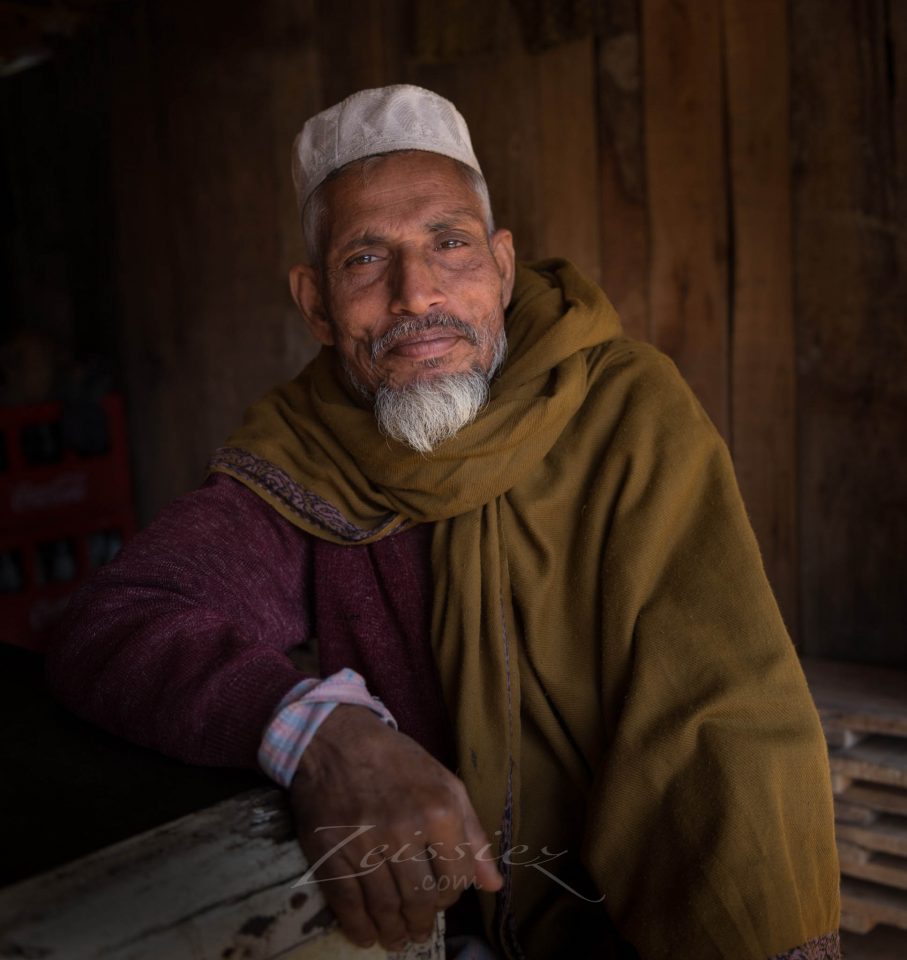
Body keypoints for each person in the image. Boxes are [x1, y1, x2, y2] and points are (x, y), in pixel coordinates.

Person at [46, 85, 841, 959]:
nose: (414, 294)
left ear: (501, 266)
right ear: (315, 305)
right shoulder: (306, 448)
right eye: (363, 259)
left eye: (449, 244)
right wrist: (319, 733)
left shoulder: (625, 409)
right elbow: (116, 622)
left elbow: (717, 718)